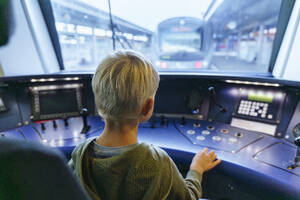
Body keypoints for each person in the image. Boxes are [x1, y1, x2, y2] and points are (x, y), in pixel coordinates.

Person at [69, 50, 221, 200]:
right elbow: (188, 197)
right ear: (148, 107)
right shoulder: (157, 162)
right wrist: (196, 170)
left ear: (97, 101)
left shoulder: (79, 154)